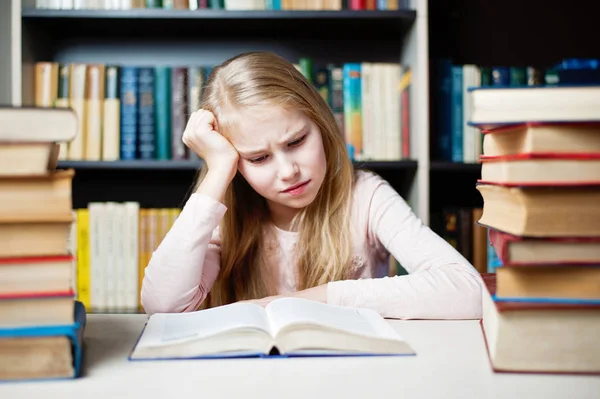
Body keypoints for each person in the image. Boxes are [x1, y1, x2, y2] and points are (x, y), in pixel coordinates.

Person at [141, 51, 483, 319]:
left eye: (296, 141)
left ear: (320, 123)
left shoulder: (365, 195)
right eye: (258, 158)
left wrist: (300, 302)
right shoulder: (223, 213)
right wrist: (217, 172)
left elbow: (467, 290)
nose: (288, 170)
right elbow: (164, 307)